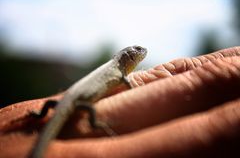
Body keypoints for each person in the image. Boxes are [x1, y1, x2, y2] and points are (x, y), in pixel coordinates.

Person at [0, 47, 240, 158]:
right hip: (78, 104)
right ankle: (94, 125)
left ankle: (37, 116)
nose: (141, 54)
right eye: (138, 53)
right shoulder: (120, 73)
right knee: (84, 114)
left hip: (66, 103)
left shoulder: (117, 69)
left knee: (53, 113)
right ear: (129, 58)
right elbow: (130, 85)